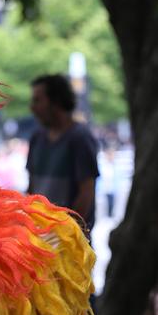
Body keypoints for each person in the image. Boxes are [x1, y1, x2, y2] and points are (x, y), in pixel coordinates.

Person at [26, 74, 99, 233]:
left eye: (38, 100)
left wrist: (67, 232)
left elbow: (86, 191)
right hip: (41, 236)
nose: (32, 107)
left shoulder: (80, 138)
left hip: (68, 241)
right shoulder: (37, 138)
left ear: (56, 102)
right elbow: (31, 188)